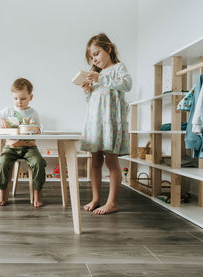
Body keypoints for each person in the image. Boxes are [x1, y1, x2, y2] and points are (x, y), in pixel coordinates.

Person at [79, 33, 132, 215]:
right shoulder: (97, 74)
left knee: (111, 160)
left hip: (111, 123)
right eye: (91, 57)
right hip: (95, 123)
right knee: (94, 161)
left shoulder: (118, 68)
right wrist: (88, 90)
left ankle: (112, 202)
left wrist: (99, 79)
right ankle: (95, 198)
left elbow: (127, 84)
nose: (94, 59)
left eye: (96, 53)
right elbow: (94, 100)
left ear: (108, 49)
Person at [0, 78, 47, 207]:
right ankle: (3, 193)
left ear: (30, 97)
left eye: (23, 99)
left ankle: (37, 193)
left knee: (39, 162)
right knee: (1, 162)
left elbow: (39, 129)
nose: (19, 102)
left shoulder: (33, 113)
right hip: (11, 147)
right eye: (15, 98)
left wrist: (35, 129)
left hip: (29, 147)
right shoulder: (8, 111)